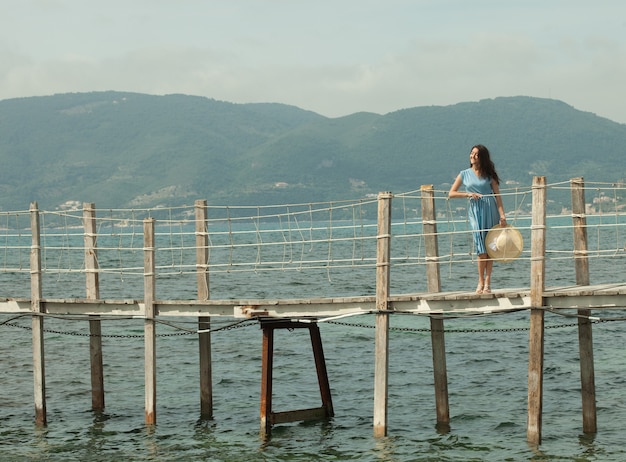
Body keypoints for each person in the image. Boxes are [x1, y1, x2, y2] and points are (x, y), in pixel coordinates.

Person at [449, 144, 506, 294]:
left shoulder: (489, 175)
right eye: (471, 153)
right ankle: (480, 281)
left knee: (490, 247)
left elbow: (497, 197)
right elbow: (451, 193)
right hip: (475, 211)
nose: (472, 156)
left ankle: (488, 282)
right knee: (481, 247)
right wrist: (467, 194)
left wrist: (502, 215)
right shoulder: (464, 174)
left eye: (476, 154)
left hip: (490, 209)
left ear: (482, 157)